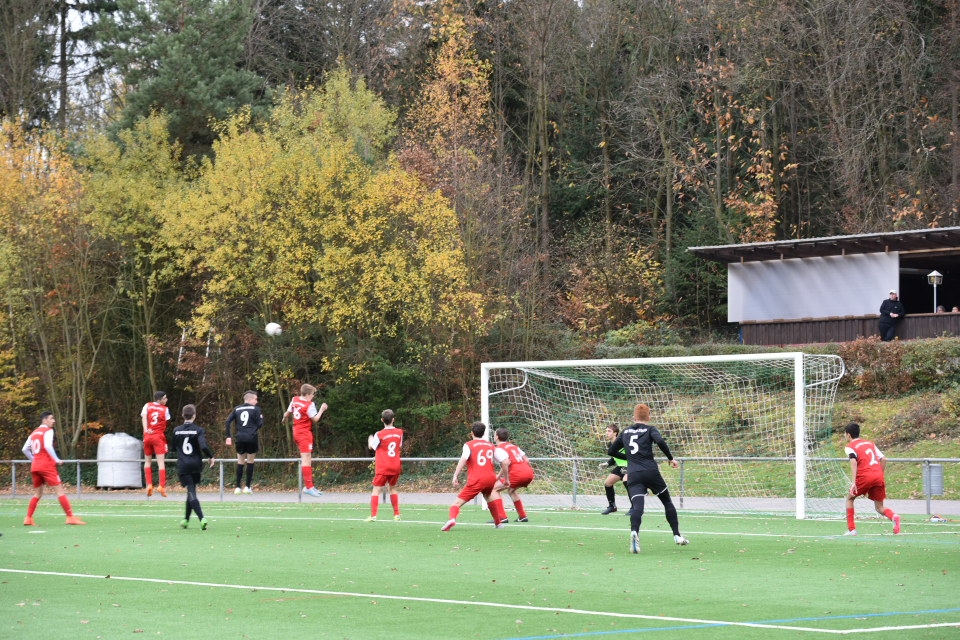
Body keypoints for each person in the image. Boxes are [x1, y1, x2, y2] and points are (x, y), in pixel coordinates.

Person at [608, 403, 688, 553]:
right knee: (667, 502)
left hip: (634, 474)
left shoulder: (625, 432)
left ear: (634, 417)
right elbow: (660, 441)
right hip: (651, 472)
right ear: (649, 417)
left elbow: (611, 451)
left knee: (637, 507)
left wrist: (629, 457)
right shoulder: (650, 429)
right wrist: (671, 458)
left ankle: (634, 532)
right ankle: (677, 536)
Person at [441, 421, 508, 531]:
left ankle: (452, 519)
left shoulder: (469, 445)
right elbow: (505, 462)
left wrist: (455, 475)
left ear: (472, 432)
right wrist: (506, 478)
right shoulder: (491, 446)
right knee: (488, 497)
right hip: (490, 479)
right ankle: (498, 523)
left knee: (457, 503)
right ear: (484, 433)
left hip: (477, 479)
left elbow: (463, 459)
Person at [22, 412, 86, 526]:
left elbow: (24, 449)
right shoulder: (48, 431)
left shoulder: (34, 433)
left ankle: (28, 518)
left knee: (37, 494)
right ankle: (70, 517)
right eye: (51, 418)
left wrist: (34, 460)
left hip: (35, 466)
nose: (54, 421)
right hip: (46, 466)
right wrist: (56, 459)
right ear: (45, 420)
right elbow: (47, 446)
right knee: (60, 491)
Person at [842, 422, 900, 536]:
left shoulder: (849, 447)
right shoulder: (870, 443)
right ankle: (894, 516)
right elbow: (883, 459)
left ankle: (852, 530)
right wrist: (880, 475)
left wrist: (853, 482)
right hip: (878, 475)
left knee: (850, 499)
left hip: (864, 476)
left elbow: (853, 461)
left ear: (848, 435)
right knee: (879, 507)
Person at [172, 404, 216, 530]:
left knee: (191, 492)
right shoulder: (198, 430)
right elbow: (203, 446)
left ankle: (202, 518)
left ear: (183, 415)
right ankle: (186, 520)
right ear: (194, 416)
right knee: (191, 491)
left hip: (184, 465)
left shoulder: (176, 430)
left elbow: (173, 448)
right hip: (196, 464)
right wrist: (211, 456)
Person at [282, 383, 328, 497]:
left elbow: (287, 412)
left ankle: (310, 486)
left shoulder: (295, 399)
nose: (313, 396)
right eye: (312, 394)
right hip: (303, 434)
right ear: (307, 394)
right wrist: (322, 410)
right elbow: (315, 419)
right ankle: (308, 487)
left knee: (308, 458)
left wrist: (284, 418)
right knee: (306, 459)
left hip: (296, 432)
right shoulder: (309, 405)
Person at [365, 409, 404, 521]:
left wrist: (370, 440)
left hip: (383, 466)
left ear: (382, 420)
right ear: (393, 419)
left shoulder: (379, 434)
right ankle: (396, 514)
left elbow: (372, 447)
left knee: (376, 490)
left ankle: (373, 515)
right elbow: (399, 445)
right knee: (392, 488)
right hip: (395, 465)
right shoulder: (399, 432)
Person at [225, 390, 264, 495]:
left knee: (240, 462)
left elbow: (227, 421)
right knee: (250, 461)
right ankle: (247, 487)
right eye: (255, 399)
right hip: (251, 437)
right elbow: (260, 424)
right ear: (250, 399)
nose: (256, 401)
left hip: (240, 437)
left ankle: (237, 487)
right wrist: (260, 419)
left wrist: (228, 436)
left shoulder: (237, 409)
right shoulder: (256, 409)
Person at [492, 427, 535, 523]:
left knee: (493, 489)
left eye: (494, 434)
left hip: (517, 474)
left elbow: (506, 463)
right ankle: (522, 516)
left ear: (497, 437)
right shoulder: (513, 446)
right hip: (528, 472)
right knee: (511, 491)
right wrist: (527, 472)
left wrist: (505, 479)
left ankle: (502, 517)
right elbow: (526, 459)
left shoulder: (498, 449)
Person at [141, 390, 171, 497]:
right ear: (159, 400)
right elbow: (166, 421)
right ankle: (161, 486)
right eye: (164, 398)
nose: (166, 400)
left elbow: (144, 418)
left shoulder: (147, 405)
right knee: (161, 462)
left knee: (147, 461)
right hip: (158, 436)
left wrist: (146, 430)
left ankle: (149, 484)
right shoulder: (165, 409)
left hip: (147, 436)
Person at [599, 424, 629, 515]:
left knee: (627, 481)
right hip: (620, 467)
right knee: (608, 483)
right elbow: (615, 456)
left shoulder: (622, 442)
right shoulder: (610, 444)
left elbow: (630, 455)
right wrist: (608, 463)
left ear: (615, 433)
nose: (606, 433)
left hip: (630, 465)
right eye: (606, 431)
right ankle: (612, 506)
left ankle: (635, 507)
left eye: (609, 431)